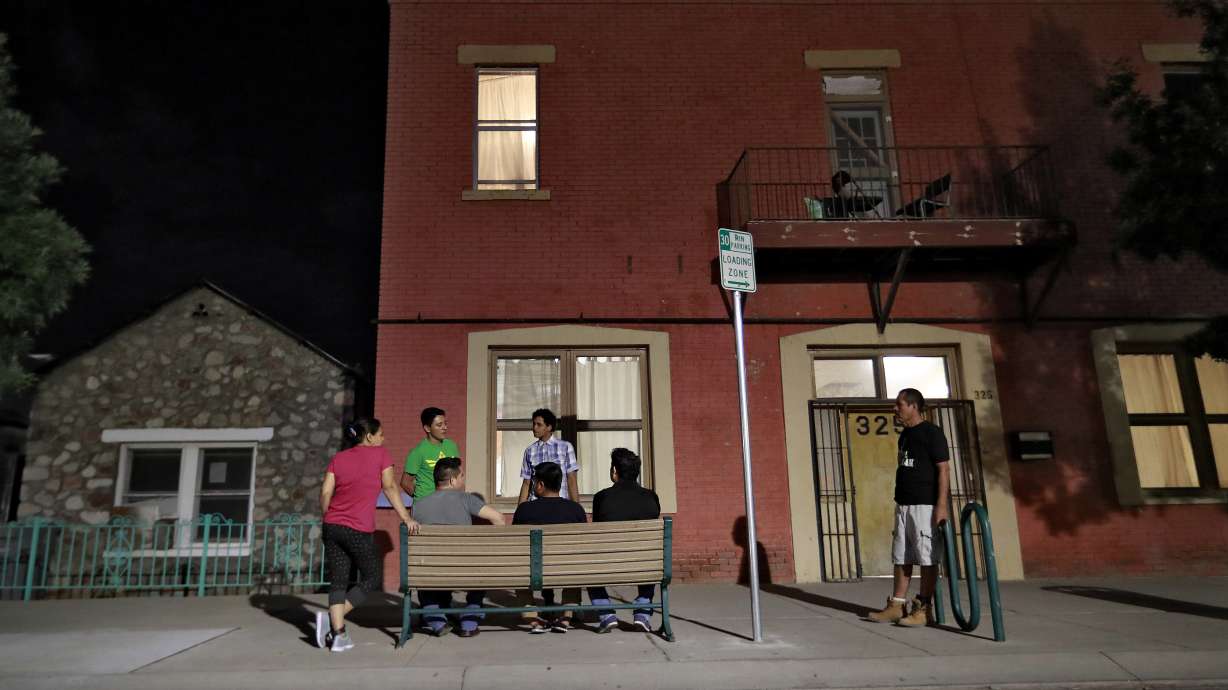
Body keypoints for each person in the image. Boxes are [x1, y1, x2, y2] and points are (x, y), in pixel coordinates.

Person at [316, 418, 419, 652]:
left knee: (339, 580)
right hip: (357, 528)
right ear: (370, 436)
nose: (383, 438)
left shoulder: (338, 458)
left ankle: (338, 633)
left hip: (331, 525)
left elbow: (325, 492)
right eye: (381, 434)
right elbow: (390, 487)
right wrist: (406, 518)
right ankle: (335, 621)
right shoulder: (380, 455)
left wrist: (329, 515)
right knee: (371, 577)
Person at [866, 388, 951, 627]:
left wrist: (941, 506)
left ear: (913, 406)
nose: (895, 409)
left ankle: (923, 608)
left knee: (926, 557)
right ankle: (896, 605)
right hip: (903, 504)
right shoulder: (905, 435)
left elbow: (943, 469)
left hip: (925, 505)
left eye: (899, 404)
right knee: (901, 555)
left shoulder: (932, 433)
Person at [411, 457, 506, 637]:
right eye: (462, 476)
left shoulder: (418, 505)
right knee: (480, 572)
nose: (463, 479)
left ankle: (436, 619)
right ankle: (469, 622)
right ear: (453, 480)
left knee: (427, 579)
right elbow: (499, 519)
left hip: (428, 571)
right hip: (463, 570)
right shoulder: (467, 499)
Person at [587, 448, 661, 633]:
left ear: (614, 471)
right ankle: (643, 614)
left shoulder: (601, 497)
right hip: (646, 565)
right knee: (647, 555)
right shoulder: (651, 496)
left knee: (587, 567)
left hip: (609, 564)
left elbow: (597, 531)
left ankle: (607, 615)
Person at [512, 461, 587, 633]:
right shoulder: (575, 510)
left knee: (519, 570)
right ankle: (566, 618)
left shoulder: (524, 510)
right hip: (568, 570)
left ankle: (533, 619)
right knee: (575, 568)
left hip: (533, 570)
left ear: (540, 485)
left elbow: (516, 544)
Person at [517, 408, 580, 503]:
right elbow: (526, 483)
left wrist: (577, 508)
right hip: (536, 504)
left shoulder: (565, 447)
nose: (534, 427)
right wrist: (519, 511)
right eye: (534, 424)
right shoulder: (530, 451)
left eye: (539, 424)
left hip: (559, 504)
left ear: (549, 427)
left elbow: (571, 479)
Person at [400, 407, 458, 504]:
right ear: (427, 428)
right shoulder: (418, 452)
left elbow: (458, 473)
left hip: (449, 503)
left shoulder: (451, 446)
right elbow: (405, 483)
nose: (444, 427)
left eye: (445, 423)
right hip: (426, 505)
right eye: (439, 425)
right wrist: (421, 499)